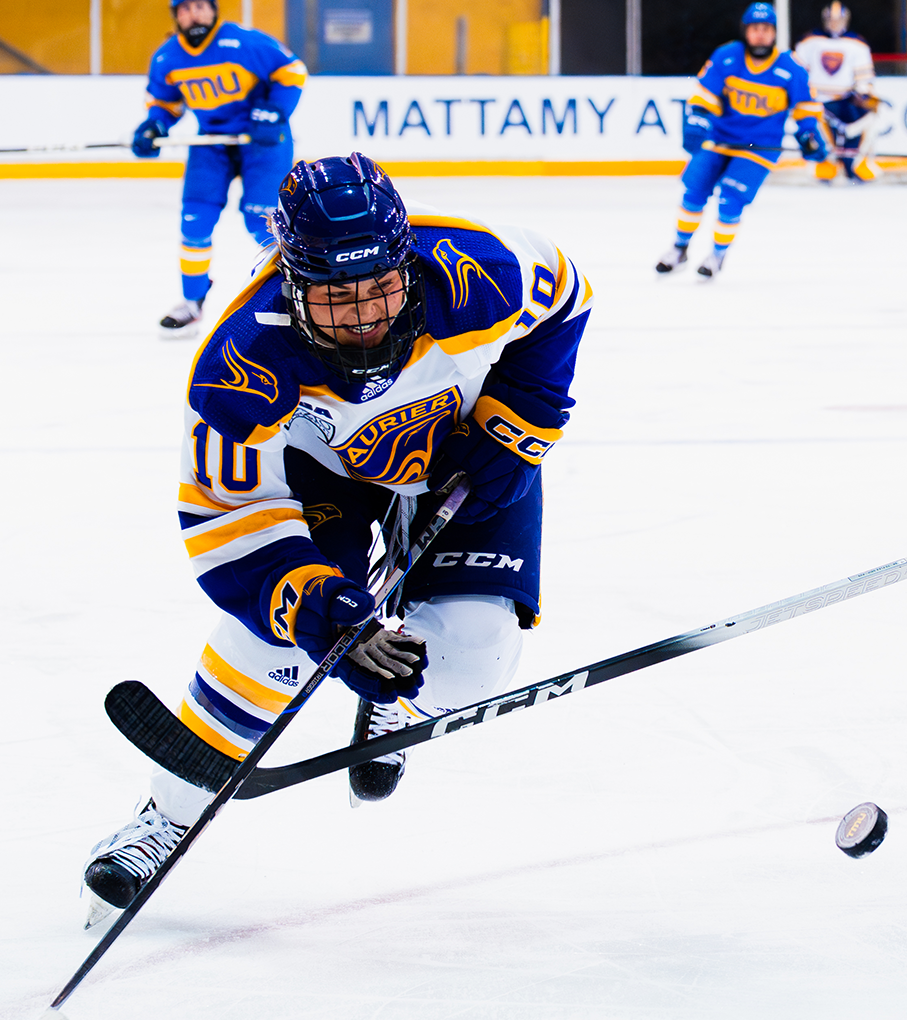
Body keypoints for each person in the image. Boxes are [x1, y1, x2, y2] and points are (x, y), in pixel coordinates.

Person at [80, 154, 593, 925]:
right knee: (277, 646)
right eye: (336, 297)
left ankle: (398, 698)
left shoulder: (476, 271)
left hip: (463, 450)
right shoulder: (240, 364)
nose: (365, 317)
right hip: (324, 472)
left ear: (405, 264)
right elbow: (229, 517)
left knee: (470, 663)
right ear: (293, 283)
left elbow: (565, 295)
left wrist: (515, 425)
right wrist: (318, 611)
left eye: (380, 287)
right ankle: (166, 818)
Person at [133, 0, 308, 339]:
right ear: (176, 16)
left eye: (200, 5)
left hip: (263, 142)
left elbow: (292, 70)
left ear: (213, 10)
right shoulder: (167, 57)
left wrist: (275, 109)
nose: (193, 14)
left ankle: (300, 291)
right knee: (194, 220)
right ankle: (192, 301)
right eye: (185, 8)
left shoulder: (244, 42)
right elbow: (164, 103)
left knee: (263, 222)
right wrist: (154, 126)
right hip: (211, 142)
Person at [656, 2, 831, 279]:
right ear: (745, 31)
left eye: (766, 29)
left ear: (774, 33)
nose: (760, 34)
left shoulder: (791, 67)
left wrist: (809, 134)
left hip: (758, 148)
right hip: (719, 139)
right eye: (755, 28)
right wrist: (698, 118)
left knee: (731, 199)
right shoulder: (727, 56)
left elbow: (805, 108)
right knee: (694, 192)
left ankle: (717, 255)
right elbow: (705, 94)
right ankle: (679, 249)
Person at [794, 2, 881, 183]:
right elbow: (797, 74)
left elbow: (864, 79)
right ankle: (826, 164)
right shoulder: (809, 41)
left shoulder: (857, 44)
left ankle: (856, 163)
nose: (834, 24)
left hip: (846, 100)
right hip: (817, 100)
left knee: (871, 115)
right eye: (831, 20)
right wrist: (804, 94)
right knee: (814, 123)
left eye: (838, 20)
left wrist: (863, 93)